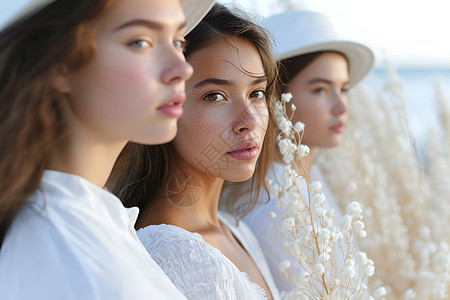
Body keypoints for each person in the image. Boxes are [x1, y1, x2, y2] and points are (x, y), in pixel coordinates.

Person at [0, 0, 213, 299]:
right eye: (140, 42)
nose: (182, 68)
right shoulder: (51, 249)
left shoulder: (92, 222)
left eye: (178, 41)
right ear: (58, 63)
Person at [107, 3, 281, 299]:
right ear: (165, 104)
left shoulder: (235, 230)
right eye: (215, 96)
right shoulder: (175, 256)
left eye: (256, 93)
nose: (249, 121)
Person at [221, 10, 374, 293]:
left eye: (344, 89)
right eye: (320, 89)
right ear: (275, 98)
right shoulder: (274, 201)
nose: (341, 106)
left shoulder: (307, 177)